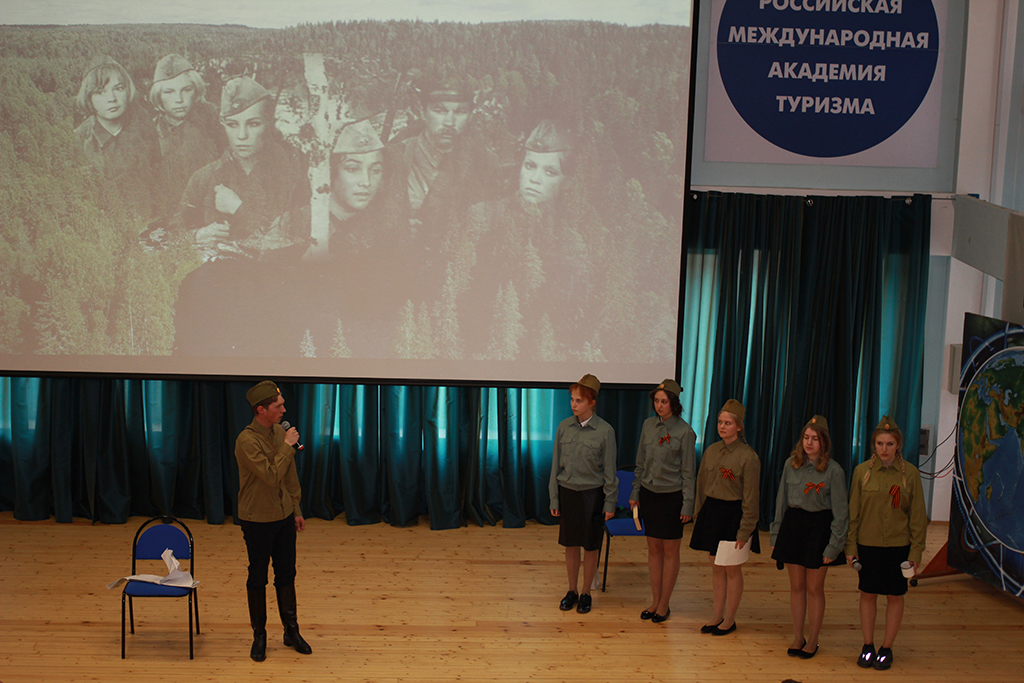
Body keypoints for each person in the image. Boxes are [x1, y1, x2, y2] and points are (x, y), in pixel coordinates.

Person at [171, 75, 311, 356]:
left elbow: (299, 237)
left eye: (253, 124)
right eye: (232, 124)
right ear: (223, 125)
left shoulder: (292, 173)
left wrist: (239, 208)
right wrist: (197, 236)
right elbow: (170, 233)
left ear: (268, 124)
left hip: (275, 300)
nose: (242, 135)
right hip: (218, 306)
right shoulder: (205, 177)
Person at [448, 119, 596, 360]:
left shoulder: (573, 237)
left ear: (568, 182)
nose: (534, 179)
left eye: (550, 172)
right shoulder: (482, 215)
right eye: (529, 166)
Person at [236, 381, 312, 662]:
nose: (284, 410)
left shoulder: (280, 432)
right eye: (278, 406)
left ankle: (291, 631)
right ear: (261, 410)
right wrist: (288, 447)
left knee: (287, 573)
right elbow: (270, 475)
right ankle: (259, 635)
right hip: (257, 518)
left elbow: (289, 476)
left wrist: (296, 509)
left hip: (283, 517)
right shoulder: (247, 441)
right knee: (258, 575)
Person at [845, 415, 928, 670]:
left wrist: (916, 551)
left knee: (895, 596)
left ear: (898, 445)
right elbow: (853, 513)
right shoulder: (862, 472)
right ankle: (867, 645)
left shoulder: (910, 474)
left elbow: (918, 516)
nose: (884, 449)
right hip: (868, 545)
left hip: (898, 547)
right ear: (874, 445)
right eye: (880, 443)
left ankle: (886, 648)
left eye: (889, 444)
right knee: (868, 594)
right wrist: (850, 547)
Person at [769, 415, 848, 659]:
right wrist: (776, 535)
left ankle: (813, 639)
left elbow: (841, 513)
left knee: (814, 588)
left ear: (824, 442)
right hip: (793, 527)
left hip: (819, 530)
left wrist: (833, 546)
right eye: (806, 437)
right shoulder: (791, 464)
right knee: (796, 587)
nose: (809, 443)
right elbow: (781, 502)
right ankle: (797, 636)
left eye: (815, 438)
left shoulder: (834, 471)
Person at [689, 399, 760, 635]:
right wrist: (699, 515)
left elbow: (751, 498)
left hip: (733, 515)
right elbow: (701, 486)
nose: (722, 427)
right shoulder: (711, 451)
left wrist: (745, 530)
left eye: (728, 423)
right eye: (720, 422)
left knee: (732, 569)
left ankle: (730, 619)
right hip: (712, 513)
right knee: (716, 567)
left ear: (738, 426)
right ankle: (717, 615)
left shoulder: (748, 457)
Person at [549, 374, 618, 615]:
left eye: (579, 400)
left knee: (590, 545)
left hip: (592, 494)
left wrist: (610, 503)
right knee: (570, 544)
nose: (573, 404)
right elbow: (555, 466)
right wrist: (554, 497)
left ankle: (586, 592)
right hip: (568, 492)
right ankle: (572, 590)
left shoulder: (605, 431)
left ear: (592, 402)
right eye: (572, 399)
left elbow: (610, 472)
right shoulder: (564, 427)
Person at [628, 379, 696, 623]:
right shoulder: (648, 425)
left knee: (670, 550)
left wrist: (688, 504)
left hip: (672, 497)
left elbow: (689, 473)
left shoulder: (685, 432)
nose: (659, 406)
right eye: (656, 401)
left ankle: (665, 604)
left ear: (674, 404)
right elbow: (640, 463)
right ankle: (655, 600)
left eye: (664, 402)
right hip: (649, 494)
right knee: (654, 548)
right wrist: (635, 493)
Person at [149, 53, 223, 219]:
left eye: (186, 90)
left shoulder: (214, 124)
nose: (179, 99)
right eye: (169, 92)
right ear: (158, 95)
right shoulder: (149, 134)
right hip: (167, 219)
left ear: (195, 91)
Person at [73, 56, 157, 182]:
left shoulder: (146, 129)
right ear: (88, 98)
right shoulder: (78, 140)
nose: (112, 98)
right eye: (100, 92)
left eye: (118, 88)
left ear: (128, 90)